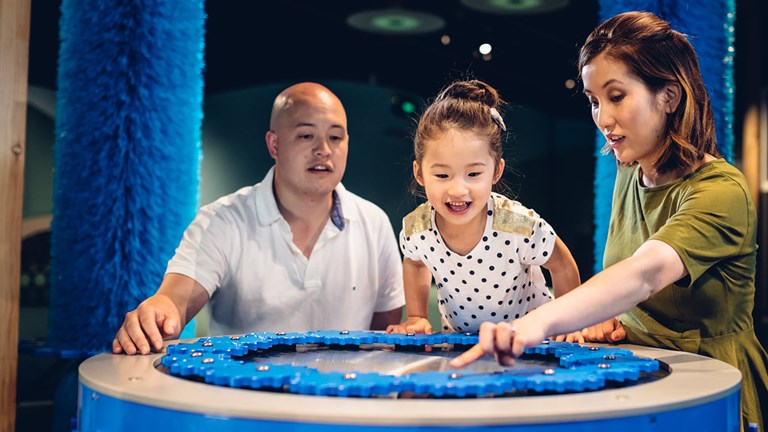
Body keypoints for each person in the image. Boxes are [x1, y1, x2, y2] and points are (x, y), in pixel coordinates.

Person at [451, 12, 767, 430]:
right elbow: (632, 297)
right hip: (640, 378)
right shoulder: (629, 170)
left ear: (669, 96)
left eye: (616, 96)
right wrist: (609, 320)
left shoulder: (723, 190)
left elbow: (645, 273)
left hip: (709, 392)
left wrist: (533, 324)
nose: (601, 117)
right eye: (594, 100)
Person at [113, 82, 405, 355]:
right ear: (274, 145)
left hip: (344, 401)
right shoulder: (223, 220)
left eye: (335, 137)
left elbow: (382, 342)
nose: (324, 150)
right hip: (241, 402)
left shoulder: (373, 223)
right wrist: (157, 311)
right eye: (306, 135)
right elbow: (173, 301)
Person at [385, 79, 582, 337]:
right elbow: (414, 263)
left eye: (474, 174)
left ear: (496, 171)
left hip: (531, 342)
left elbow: (563, 265)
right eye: (442, 175)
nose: (457, 190)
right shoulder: (417, 228)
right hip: (462, 343)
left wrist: (567, 324)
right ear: (419, 173)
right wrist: (417, 316)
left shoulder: (518, 224)